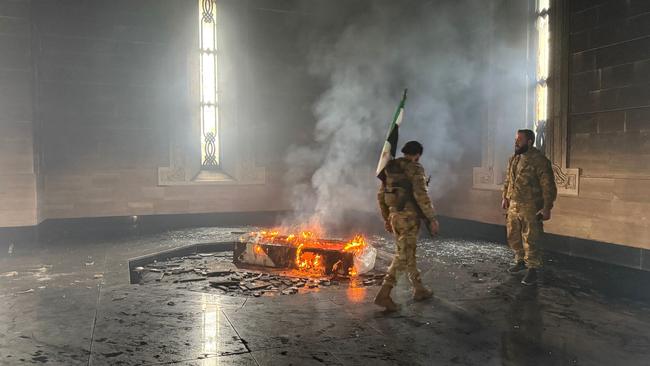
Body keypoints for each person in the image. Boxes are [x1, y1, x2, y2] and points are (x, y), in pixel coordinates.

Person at [374, 141, 439, 312]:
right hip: (409, 218)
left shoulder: (390, 168)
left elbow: (381, 195)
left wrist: (387, 218)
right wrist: (432, 218)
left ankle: (419, 288)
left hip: (395, 216)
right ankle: (384, 293)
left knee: (409, 252)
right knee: (403, 255)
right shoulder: (415, 169)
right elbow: (421, 195)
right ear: (417, 154)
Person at [502, 129, 557, 286]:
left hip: (531, 205)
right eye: (515, 139)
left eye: (519, 139)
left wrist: (547, 207)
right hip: (513, 204)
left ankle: (532, 269)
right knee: (513, 234)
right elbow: (508, 179)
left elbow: (548, 186)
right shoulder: (514, 158)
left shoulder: (539, 160)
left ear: (529, 141)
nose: (516, 142)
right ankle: (520, 260)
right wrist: (505, 197)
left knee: (531, 237)